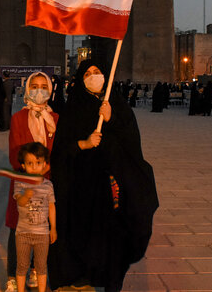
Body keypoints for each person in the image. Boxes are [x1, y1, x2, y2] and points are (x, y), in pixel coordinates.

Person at [48, 60, 158, 292]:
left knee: (115, 233)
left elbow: (131, 140)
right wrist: (83, 144)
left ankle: (111, 277)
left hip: (113, 180)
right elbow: (61, 150)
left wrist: (112, 119)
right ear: (80, 79)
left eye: (97, 72)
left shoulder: (116, 103)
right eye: (88, 73)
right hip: (83, 183)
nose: (93, 76)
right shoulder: (74, 107)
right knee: (85, 231)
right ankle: (82, 274)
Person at [5, 71, 58, 292]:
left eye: (43, 86)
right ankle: (13, 276)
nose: (39, 90)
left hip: (46, 182)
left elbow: (58, 152)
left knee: (42, 230)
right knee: (17, 228)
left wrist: (45, 170)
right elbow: (14, 153)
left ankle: (37, 271)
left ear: (50, 90)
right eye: (34, 86)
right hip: (24, 182)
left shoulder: (55, 120)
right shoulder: (18, 118)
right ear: (27, 89)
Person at [13, 142, 56, 292]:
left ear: (44, 164)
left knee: (41, 266)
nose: (34, 166)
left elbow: (51, 206)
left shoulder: (48, 185)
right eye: (30, 163)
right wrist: (26, 196)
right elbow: (20, 201)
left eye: (38, 163)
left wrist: (53, 228)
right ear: (23, 166)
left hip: (42, 233)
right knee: (22, 265)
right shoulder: (20, 182)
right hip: (23, 233)